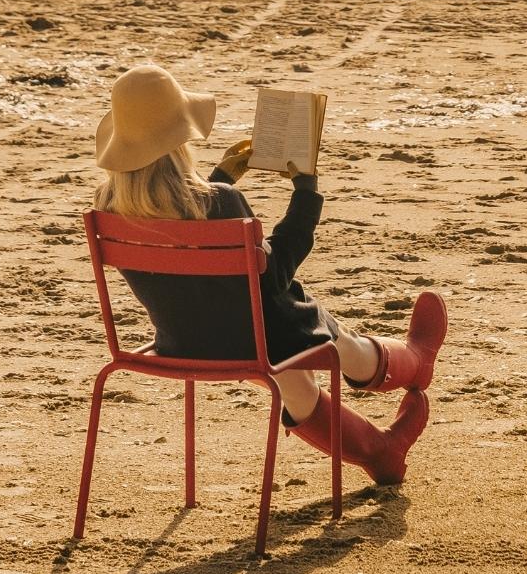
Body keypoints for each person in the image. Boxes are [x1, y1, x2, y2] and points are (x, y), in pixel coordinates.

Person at [94, 61, 448, 485]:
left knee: (294, 381)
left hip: (184, 342)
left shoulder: (109, 208)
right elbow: (276, 273)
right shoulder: (221, 203)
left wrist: (221, 177)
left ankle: (380, 452)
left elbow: (184, 240)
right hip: (259, 340)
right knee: (324, 335)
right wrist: (306, 191)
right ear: (179, 139)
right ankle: (414, 362)